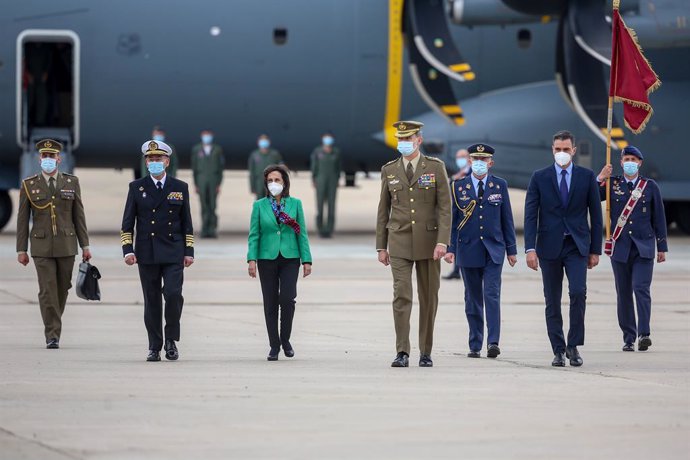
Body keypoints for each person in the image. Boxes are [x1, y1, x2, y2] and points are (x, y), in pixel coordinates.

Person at [376, 120, 452, 368]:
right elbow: (383, 209)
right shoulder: (389, 169)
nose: (404, 144)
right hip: (398, 240)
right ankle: (402, 351)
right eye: (401, 140)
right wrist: (381, 245)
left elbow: (444, 208)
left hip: (430, 243)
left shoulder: (435, 167)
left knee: (429, 298)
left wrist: (443, 242)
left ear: (419, 140)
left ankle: (426, 351)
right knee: (401, 296)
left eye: (408, 140)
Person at [524, 130, 602, 367]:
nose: (561, 153)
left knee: (578, 292)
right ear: (552, 150)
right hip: (549, 246)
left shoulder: (586, 177)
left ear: (574, 151)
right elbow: (530, 215)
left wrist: (595, 249)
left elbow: (596, 217)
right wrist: (529, 248)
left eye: (566, 149)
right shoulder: (540, 177)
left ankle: (573, 345)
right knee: (552, 299)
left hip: (577, 246)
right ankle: (558, 349)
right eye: (558, 149)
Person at [121, 140, 195, 362]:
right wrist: (127, 249)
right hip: (147, 251)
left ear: (167, 161)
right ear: (146, 162)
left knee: (173, 295)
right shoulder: (137, 187)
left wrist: (189, 250)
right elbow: (127, 222)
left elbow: (187, 222)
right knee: (152, 300)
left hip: (173, 250)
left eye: (158, 159)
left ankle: (171, 339)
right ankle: (154, 346)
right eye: (151, 159)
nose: (155, 163)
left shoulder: (180, 188)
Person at [16, 139, 91, 349]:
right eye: (45, 156)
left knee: (62, 288)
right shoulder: (29, 185)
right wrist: (21, 249)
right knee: (47, 290)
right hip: (41, 247)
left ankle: (54, 323)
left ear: (59, 159)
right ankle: (52, 334)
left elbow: (79, 216)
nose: (48, 160)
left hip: (67, 245)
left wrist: (85, 245)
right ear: (39, 159)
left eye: (52, 156)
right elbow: (22, 220)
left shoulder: (71, 182)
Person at [444, 144, 517, 358]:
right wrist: (451, 249)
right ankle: (475, 343)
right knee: (472, 298)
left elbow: (507, 219)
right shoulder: (459, 186)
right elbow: (454, 220)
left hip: (494, 249)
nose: (479, 163)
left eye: (483, 160)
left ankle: (493, 342)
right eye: (475, 158)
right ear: (469, 161)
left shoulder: (499, 185)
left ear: (490, 163)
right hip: (468, 249)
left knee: (491, 295)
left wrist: (511, 250)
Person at [596, 145, 667, 352]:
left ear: (640, 163)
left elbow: (659, 218)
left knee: (640, 288)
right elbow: (590, 195)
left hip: (644, 247)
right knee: (624, 293)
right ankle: (628, 337)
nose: (630, 163)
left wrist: (661, 246)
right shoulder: (612, 184)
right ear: (620, 162)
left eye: (634, 160)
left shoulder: (649, 186)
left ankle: (644, 333)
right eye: (626, 159)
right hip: (620, 247)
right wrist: (601, 177)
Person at [247, 165, 312, 361]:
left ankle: (285, 339)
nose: (273, 184)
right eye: (270, 181)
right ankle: (274, 345)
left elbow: (302, 233)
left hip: (290, 258)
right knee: (270, 303)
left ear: (285, 183)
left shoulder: (295, 204)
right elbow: (254, 234)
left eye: (277, 180)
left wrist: (306, 259)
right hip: (266, 258)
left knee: (287, 299)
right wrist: (251, 259)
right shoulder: (259, 206)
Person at [191, 129, 225, 238]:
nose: (207, 137)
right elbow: (194, 168)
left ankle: (212, 229)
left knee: (212, 205)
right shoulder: (196, 149)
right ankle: (204, 229)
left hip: (213, 179)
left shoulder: (217, 149)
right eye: (205, 135)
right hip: (201, 179)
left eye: (208, 135)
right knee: (204, 205)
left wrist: (219, 183)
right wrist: (195, 184)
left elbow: (220, 168)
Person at [443, 148, 471, 280]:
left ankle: (461, 269)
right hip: (457, 213)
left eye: (463, 157)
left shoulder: (472, 173)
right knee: (456, 240)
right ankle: (456, 269)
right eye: (458, 157)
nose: (460, 160)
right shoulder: (459, 174)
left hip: (468, 214)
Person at [310, 131, 342, 238]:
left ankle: (329, 230)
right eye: (326, 138)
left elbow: (338, 168)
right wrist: (313, 178)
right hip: (320, 180)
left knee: (331, 206)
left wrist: (337, 179)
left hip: (332, 181)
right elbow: (314, 166)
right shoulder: (317, 152)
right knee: (320, 206)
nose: (327, 140)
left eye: (329, 138)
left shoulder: (336, 152)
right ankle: (320, 229)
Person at [248, 134, 283, 200]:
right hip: (259, 184)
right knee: (260, 204)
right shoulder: (254, 155)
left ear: (269, 142)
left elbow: (281, 169)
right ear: (258, 142)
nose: (263, 143)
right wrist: (252, 187)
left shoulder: (275, 154)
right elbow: (252, 173)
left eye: (265, 141)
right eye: (262, 141)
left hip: (272, 183)